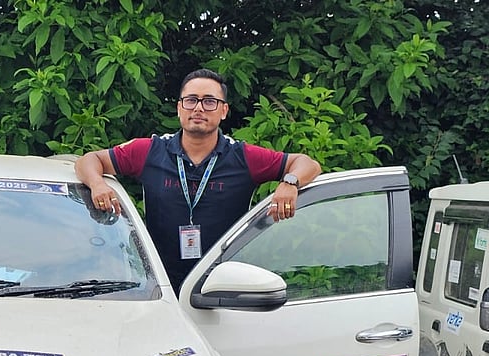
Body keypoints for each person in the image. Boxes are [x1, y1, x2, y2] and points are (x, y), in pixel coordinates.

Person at [75, 68, 321, 291]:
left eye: (210, 102)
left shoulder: (243, 157)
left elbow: (307, 164)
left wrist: (289, 182)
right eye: (191, 100)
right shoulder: (149, 151)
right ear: (179, 108)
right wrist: (97, 184)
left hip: (222, 286)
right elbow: (88, 161)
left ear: (224, 110)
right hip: (159, 286)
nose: (199, 108)